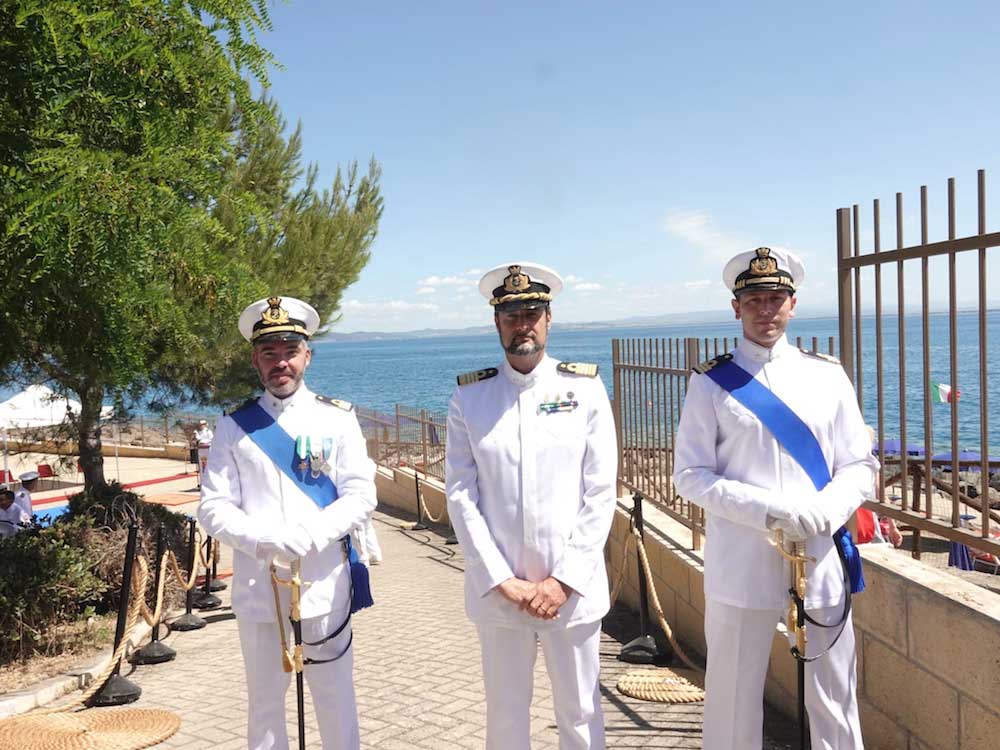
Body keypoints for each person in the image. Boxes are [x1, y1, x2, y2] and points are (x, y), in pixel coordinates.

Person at [672, 247, 877, 750]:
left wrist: (825, 511)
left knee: (834, 698)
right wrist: (769, 510)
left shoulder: (827, 374)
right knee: (732, 698)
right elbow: (690, 476)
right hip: (742, 558)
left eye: (776, 299)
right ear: (736, 308)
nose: (766, 310)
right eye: (754, 300)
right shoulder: (710, 383)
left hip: (820, 552)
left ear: (793, 303)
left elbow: (860, 464)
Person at [445, 262, 617, 749]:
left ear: (549, 318)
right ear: (497, 323)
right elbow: (460, 493)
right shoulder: (470, 397)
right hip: (501, 594)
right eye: (512, 314)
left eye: (532, 312)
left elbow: (600, 490)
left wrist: (563, 580)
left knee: (581, 714)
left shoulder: (583, 388)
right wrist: (501, 579)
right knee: (504, 717)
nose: (523, 324)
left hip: (572, 590)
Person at [198, 295, 377, 750]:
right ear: (255, 360)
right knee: (264, 708)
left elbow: (361, 494)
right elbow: (213, 507)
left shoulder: (337, 418)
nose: (281, 362)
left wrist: (311, 534)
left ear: (307, 356)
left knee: (336, 701)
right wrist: (267, 539)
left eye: (290, 351)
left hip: (324, 586)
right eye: (270, 353)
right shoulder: (233, 427)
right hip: (260, 592)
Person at [192, 419, 214, 488]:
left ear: (205, 424)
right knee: (202, 467)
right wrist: (196, 436)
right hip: (201, 451)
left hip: (207, 450)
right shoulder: (199, 432)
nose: (201, 426)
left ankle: (210, 483)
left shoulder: (208, 431)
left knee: (208, 466)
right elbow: (197, 440)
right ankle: (203, 483)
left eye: (202, 424)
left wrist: (203, 441)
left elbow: (211, 439)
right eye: (200, 425)